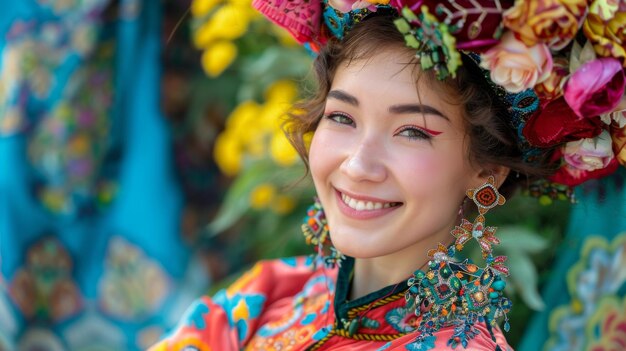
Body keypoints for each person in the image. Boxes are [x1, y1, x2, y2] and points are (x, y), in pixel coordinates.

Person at [150, 0, 626, 350]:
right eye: (341, 117)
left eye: (412, 132)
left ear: (485, 171)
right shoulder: (270, 290)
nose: (357, 165)